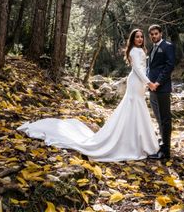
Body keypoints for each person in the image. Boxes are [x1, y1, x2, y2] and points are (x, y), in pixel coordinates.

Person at [16, 29, 158, 162]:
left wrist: (146, 82)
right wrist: (150, 83)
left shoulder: (141, 50)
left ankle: (137, 141)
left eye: (141, 37)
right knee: (133, 107)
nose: (139, 39)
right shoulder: (134, 51)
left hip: (140, 84)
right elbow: (138, 70)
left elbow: (144, 68)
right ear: (132, 40)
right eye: (137, 37)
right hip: (136, 82)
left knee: (137, 109)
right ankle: (132, 144)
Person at [145, 24, 175, 160]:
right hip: (152, 89)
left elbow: (169, 66)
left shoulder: (167, 46)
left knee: (165, 119)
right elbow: (150, 68)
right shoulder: (152, 49)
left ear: (161, 33)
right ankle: (162, 146)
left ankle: (166, 152)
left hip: (162, 88)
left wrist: (157, 83)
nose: (154, 36)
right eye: (151, 34)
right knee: (158, 119)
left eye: (156, 33)